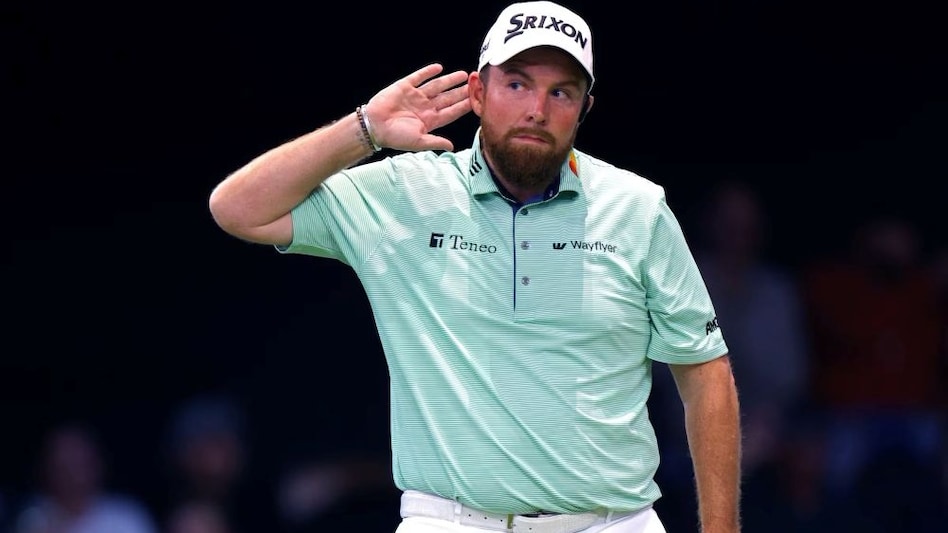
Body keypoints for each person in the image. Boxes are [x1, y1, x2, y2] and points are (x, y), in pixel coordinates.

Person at [208, 2, 741, 532]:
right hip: (449, 521)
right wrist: (364, 130)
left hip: (614, 524)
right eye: (517, 84)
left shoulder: (637, 208)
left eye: (561, 92)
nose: (537, 109)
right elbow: (238, 209)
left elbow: (705, 371)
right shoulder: (405, 194)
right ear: (478, 94)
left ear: (584, 108)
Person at [13, 421, 159, 533]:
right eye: (63, 464)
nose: (71, 474)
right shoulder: (32, 516)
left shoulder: (126, 515)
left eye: (79, 462)